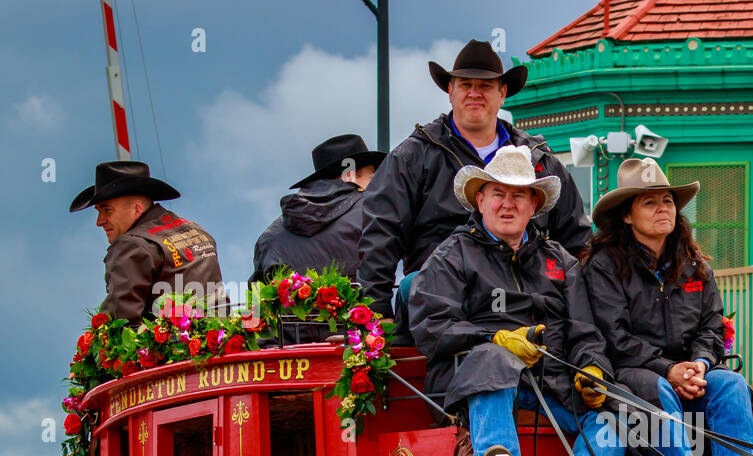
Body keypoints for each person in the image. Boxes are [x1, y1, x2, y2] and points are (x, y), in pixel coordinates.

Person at [407, 146, 620, 456]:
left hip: (552, 381)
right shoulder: (450, 256)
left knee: (618, 419)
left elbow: (586, 331)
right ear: (480, 199)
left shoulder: (562, 261)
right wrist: (496, 337)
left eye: (518, 195)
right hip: (470, 382)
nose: (508, 204)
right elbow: (431, 327)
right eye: (498, 194)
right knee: (495, 360)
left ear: (534, 203)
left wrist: (593, 366)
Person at [358, 39, 591, 341]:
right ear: (450, 91)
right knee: (412, 284)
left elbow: (576, 240)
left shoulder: (540, 159)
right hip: (442, 293)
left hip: (527, 293)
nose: (474, 93)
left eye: (485, 86)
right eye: (465, 84)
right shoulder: (412, 156)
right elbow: (380, 235)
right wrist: (374, 317)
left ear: (502, 93)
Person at [582, 158, 753, 456]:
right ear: (626, 215)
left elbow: (711, 329)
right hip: (630, 376)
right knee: (659, 389)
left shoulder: (697, 267)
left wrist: (700, 365)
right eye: (649, 202)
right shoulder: (603, 266)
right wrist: (668, 369)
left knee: (732, 384)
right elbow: (615, 338)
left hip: (688, 374)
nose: (662, 208)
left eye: (667, 201)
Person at [70, 161, 223, 320]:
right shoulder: (198, 231)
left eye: (107, 210)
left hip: (168, 344)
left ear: (137, 209)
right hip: (220, 341)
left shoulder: (131, 245)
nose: (99, 221)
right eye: (98, 211)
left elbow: (120, 320)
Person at [250, 133, 386, 283]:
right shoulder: (373, 213)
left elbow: (257, 301)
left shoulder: (268, 238)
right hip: (366, 306)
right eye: (372, 177)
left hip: (292, 307)